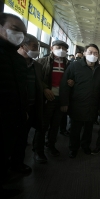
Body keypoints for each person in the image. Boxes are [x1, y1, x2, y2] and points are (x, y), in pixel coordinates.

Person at [0, 12, 28, 198]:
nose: (19, 35)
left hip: (13, 117)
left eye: (22, 33)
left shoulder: (18, 59)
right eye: (15, 29)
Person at [60, 44, 100, 158]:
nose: (92, 55)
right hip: (77, 104)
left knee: (88, 129)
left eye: (95, 53)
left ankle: (85, 146)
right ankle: (73, 148)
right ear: (84, 53)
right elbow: (65, 84)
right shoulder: (75, 66)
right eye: (90, 52)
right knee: (75, 129)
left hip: (92, 105)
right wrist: (64, 102)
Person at [9, 34, 44, 174]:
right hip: (13, 109)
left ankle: (18, 164)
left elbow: (39, 84)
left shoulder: (37, 66)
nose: (37, 50)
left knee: (23, 139)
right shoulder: (12, 62)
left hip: (31, 108)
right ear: (23, 46)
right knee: (10, 140)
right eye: (34, 47)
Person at [34, 40, 70, 162]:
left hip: (61, 99)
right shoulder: (41, 62)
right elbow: (37, 79)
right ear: (51, 48)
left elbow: (70, 82)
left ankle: (51, 145)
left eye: (64, 48)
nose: (61, 50)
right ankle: (38, 150)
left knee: (55, 125)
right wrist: (45, 88)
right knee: (43, 125)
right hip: (48, 99)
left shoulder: (68, 64)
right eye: (58, 47)